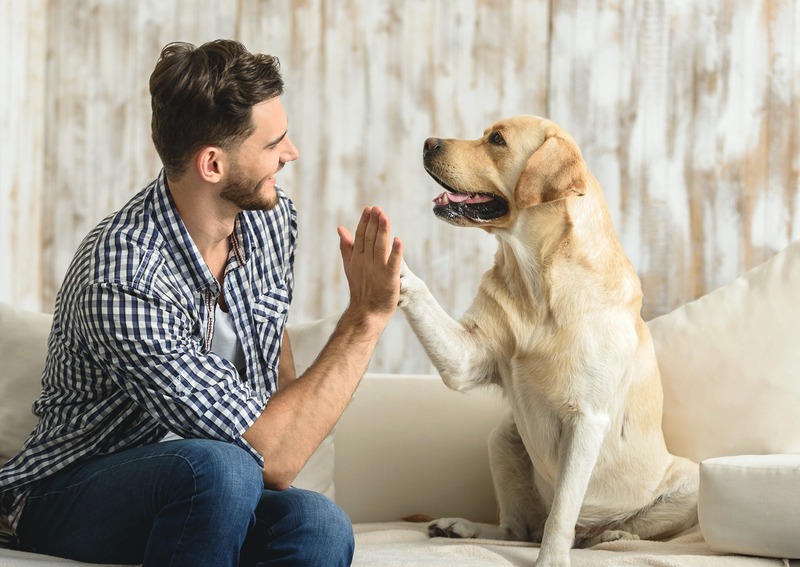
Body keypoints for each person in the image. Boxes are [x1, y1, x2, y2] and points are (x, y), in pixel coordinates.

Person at [0, 39, 403, 566]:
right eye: (273, 142)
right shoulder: (123, 276)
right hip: (69, 492)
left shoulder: (269, 219)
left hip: (213, 490)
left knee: (318, 523)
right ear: (212, 163)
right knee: (220, 468)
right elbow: (273, 459)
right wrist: (365, 317)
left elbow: (271, 347)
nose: (292, 152)